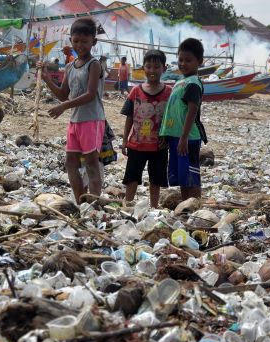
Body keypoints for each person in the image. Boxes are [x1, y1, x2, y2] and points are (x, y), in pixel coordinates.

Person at [39, 18, 105, 204]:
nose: (80, 45)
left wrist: (64, 107)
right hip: (75, 121)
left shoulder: (94, 64)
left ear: (94, 41)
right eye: (76, 41)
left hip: (92, 120)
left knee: (91, 164)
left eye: (84, 41)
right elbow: (62, 94)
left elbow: (90, 94)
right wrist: (46, 78)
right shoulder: (70, 66)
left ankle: (93, 204)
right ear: (71, 40)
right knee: (70, 163)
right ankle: (79, 203)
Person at [121, 50, 171, 208]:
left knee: (156, 179)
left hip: (159, 146)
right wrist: (124, 141)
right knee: (132, 177)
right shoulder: (136, 91)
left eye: (156, 67)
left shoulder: (170, 93)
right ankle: (128, 204)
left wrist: (168, 138)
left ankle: (154, 207)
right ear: (144, 68)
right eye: (148, 66)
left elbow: (172, 119)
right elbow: (129, 117)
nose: (152, 71)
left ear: (164, 68)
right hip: (136, 144)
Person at [159, 38, 208, 201]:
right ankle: (185, 206)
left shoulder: (193, 83)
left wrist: (184, 138)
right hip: (177, 137)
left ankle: (194, 205)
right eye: (180, 59)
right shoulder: (181, 81)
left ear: (199, 62)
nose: (183, 63)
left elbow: (192, 110)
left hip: (188, 138)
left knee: (191, 175)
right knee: (182, 176)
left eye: (188, 60)